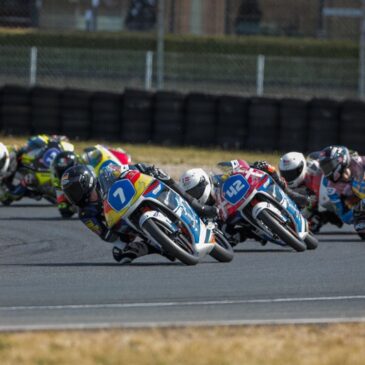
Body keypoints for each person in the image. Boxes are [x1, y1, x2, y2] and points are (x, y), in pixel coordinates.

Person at [61, 163, 217, 264]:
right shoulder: (85, 214)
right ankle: (156, 245)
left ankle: (194, 205)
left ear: (86, 182)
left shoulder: (106, 173)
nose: (73, 196)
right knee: (119, 254)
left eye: (74, 190)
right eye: (70, 193)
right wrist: (118, 230)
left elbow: (126, 169)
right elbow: (107, 236)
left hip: (139, 195)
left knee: (156, 172)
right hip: (124, 225)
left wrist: (140, 169)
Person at [278, 151, 342, 232]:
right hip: (315, 210)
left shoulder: (316, 170)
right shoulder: (283, 184)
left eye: (292, 173)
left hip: (331, 200)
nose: (289, 177)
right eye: (285, 174)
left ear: (301, 167)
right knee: (309, 227)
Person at [318, 145, 365, 238]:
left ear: (339, 160)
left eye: (328, 166)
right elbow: (343, 216)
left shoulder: (358, 161)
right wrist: (356, 209)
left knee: (357, 183)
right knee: (361, 228)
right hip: (360, 209)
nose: (327, 171)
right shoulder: (332, 188)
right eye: (324, 168)